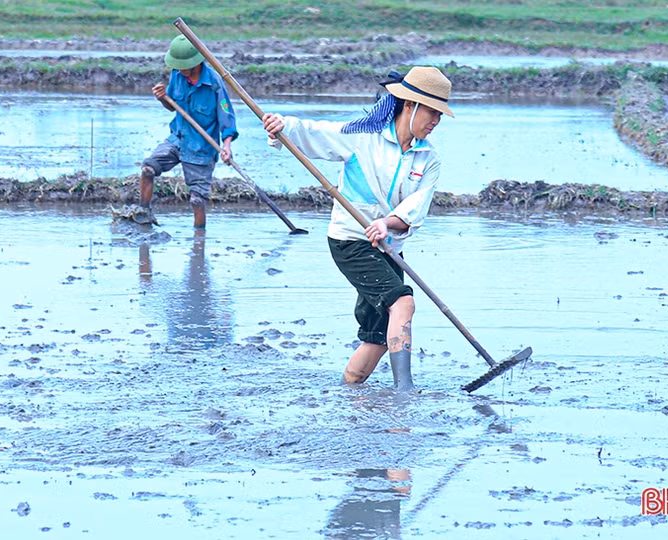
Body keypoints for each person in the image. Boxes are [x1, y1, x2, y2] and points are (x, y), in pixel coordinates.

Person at [262, 66, 452, 391]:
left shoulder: (428, 158)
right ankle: (404, 392)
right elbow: (316, 132)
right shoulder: (364, 138)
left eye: (439, 115)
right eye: (432, 112)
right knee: (403, 304)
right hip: (351, 241)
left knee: (379, 337)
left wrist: (386, 223)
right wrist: (284, 126)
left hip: (389, 246)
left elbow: (416, 208)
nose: (435, 121)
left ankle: (349, 391)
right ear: (410, 105)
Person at [137, 35, 238, 227]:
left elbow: (227, 117)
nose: (181, 70)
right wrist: (162, 98)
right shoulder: (177, 75)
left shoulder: (215, 84)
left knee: (197, 200)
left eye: (184, 66)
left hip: (202, 147)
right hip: (178, 139)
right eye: (178, 66)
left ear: (196, 63)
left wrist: (226, 146)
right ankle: (143, 214)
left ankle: (199, 240)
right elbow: (173, 107)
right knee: (148, 169)